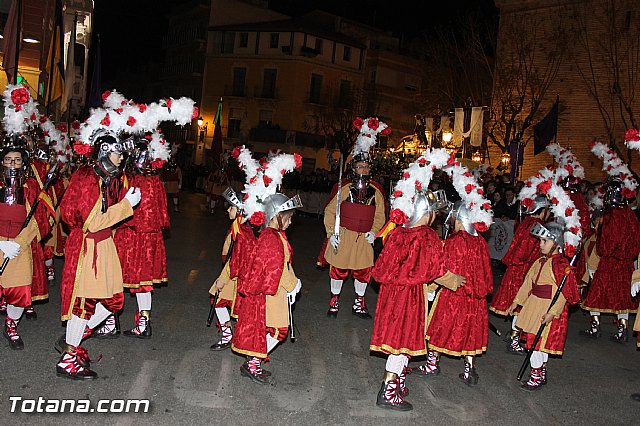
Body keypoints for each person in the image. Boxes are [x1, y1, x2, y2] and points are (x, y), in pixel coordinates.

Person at [57, 132, 141, 379]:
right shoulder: (88, 178)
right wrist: (126, 206)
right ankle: (68, 358)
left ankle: (74, 338)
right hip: (89, 247)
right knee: (84, 304)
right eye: (117, 153)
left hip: (103, 245)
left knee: (114, 301)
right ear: (104, 152)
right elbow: (93, 223)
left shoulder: (101, 177)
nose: (121, 158)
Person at [370, 188, 447, 411]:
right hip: (410, 298)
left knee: (399, 341)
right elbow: (437, 268)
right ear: (428, 213)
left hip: (390, 296)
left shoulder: (397, 234)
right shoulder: (427, 236)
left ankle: (398, 381)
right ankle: (388, 390)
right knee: (403, 344)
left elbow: (381, 268)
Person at [231, 151, 302, 384]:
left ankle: (253, 362)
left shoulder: (275, 235)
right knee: (277, 330)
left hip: (275, 293)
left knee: (272, 330)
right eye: (288, 217)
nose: (291, 222)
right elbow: (275, 270)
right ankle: (252, 364)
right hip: (271, 295)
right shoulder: (272, 238)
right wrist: (293, 285)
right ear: (276, 216)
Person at [322, 117, 389, 318]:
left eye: (366, 167)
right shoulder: (344, 189)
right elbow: (330, 211)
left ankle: (359, 302)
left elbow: (380, 216)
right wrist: (331, 233)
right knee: (339, 270)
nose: (364, 170)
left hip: (364, 238)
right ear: (354, 169)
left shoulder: (376, 192)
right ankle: (334, 300)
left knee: (363, 271)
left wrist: (374, 232)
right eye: (360, 167)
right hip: (344, 235)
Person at [421, 201, 493, 386]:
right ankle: (469, 370)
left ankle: (431, 364)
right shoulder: (480, 241)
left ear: (460, 220)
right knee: (471, 333)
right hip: (476, 299)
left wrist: (430, 289)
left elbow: (444, 269)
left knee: (438, 329)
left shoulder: (456, 241)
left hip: (454, 295)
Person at [506, 221, 580, 391]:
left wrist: (553, 312)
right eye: (540, 241)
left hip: (546, 308)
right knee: (533, 341)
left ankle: (537, 374)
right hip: (534, 305)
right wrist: (516, 302)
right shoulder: (540, 261)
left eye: (544, 241)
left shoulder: (561, 266)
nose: (540, 245)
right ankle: (539, 371)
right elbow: (528, 283)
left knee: (537, 342)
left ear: (556, 242)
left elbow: (564, 293)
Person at [108, 138, 171, 339]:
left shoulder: (129, 179)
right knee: (144, 283)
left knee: (113, 278)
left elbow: (117, 209)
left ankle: (109, 321)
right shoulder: (157, 181)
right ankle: (143, 322)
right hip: (150, 239)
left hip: (129, 237)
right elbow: (162, 216)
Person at [0, 143, 49, 349]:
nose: (13, 163)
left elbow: (41, 220)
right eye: (9, 159)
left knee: (19, 292)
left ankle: (11, 325)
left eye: (17, 159)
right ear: (2, 162)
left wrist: (18, 242)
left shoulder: (30, 188)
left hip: (20, 245)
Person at [490, 194, 551, 354]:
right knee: (521, 306)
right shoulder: (536, 225)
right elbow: (525, 251)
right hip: (523, 270)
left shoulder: (527, 222)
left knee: (518, 305)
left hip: (519, 268)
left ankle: (513, 334)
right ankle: (514, 339)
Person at [581, 178, 640, 341]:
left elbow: (606, 242)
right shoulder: (631, 214)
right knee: (623, 296)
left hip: (610, 261)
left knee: (596, 293)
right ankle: (622, 330)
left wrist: (603, 251)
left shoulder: (611, 215)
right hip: (626, 263)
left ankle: (595, 326)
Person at [209, 186, 256, 350]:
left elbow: (235, 260)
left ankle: (246, 343)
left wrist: (222, 280)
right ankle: (227, 333)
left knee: (236, 307)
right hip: (232, 273)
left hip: (236, 275)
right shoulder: (238, 228)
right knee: (219, 300)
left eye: (231, 207)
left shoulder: (242, 233)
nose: (228, 210)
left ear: (241, 211)